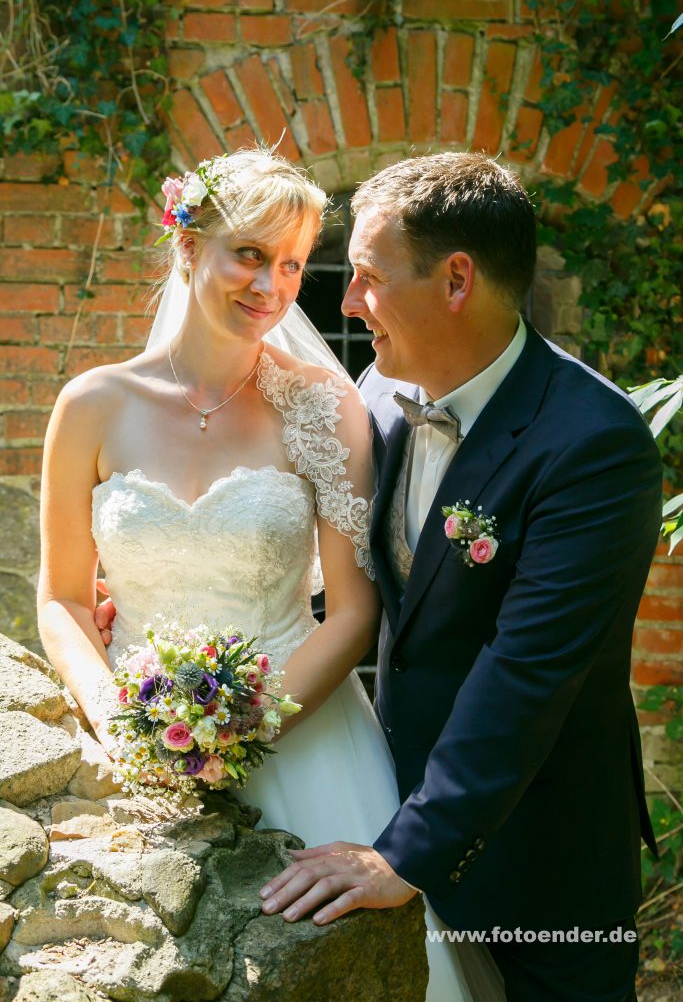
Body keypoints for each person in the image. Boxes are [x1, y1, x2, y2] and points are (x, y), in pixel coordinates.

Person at [37, 148, 493, 1002]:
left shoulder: (322, 406)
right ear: (185, 244)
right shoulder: (92, 403)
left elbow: (352, 614)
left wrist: (246, 727)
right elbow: (61, 595)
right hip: (136, 748)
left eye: (291, 264)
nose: (272, 285)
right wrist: (121, 725)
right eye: (249, 253)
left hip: (305, 733)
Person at [259, 152, 663, 1002]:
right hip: (381, 793)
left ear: (455, 281)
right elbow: (345, 574)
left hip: (542, 853)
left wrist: (404, 854)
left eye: (366, 277)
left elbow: (528, 672)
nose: (346, 302)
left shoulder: (593, 443)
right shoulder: (373, 393)